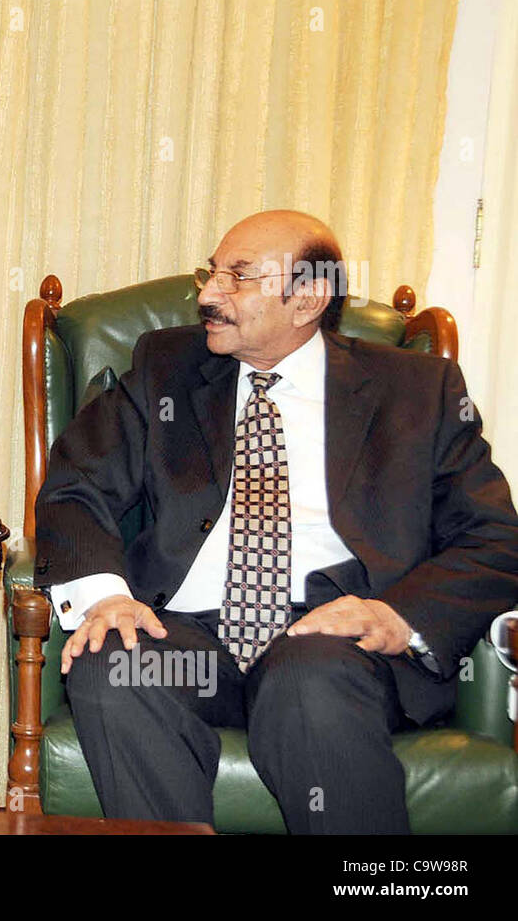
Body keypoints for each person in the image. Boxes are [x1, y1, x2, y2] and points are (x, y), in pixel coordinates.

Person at [35, 209, 518, 833]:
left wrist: (396, 616)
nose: (209, 294)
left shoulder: (415, 391)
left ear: (308, 298)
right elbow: (77, 486)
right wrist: (106, 599)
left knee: (307, 680)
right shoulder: (166, 368)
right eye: (211, 274)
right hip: (193, 638)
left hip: (333, 640)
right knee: (116, 659)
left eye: (238, 277)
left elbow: (495, 537)